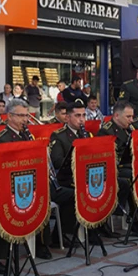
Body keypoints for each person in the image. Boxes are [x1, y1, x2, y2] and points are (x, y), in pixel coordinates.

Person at [0, 99, 53, 259]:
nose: (25, 120)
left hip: (28, 181)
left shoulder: (27, 135)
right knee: (7, 206)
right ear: (9, 116)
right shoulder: (1, 138)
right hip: (9, 186)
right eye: (21, 116)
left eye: (27, 116)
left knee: (42, 197)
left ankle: (41, 244)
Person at [48, 102, 86, 244]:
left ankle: (94, 228)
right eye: (77, 116)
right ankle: (62, 233)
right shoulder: (59, 136)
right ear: (68, 118)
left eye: (83, 115)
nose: (81, 119)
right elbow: (57, 161)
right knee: (76, 192)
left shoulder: (86, 134)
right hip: (66, 178)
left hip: (82, 176)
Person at [96, 101, 134, 221]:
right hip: (112, 168)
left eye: (132, 116)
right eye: (128, 117)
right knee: (134, 176)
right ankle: (135, 218)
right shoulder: (106, 131)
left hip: (126, 164)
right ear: (116, 116)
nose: (131, 120)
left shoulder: (128, 129)